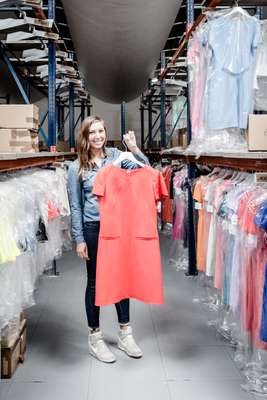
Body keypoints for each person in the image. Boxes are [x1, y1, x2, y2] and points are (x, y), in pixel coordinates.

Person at [67, 115, 149, 363]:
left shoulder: (116, 157)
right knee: (95, 281)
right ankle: (95, 337)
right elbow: (76, 206)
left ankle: (125, 333)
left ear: (105, 132)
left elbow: (145, 169)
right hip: (93, 228)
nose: (98, 136)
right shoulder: (76, 168)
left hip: (119, 227)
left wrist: (134, 149)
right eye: (92, 132)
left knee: (121, 278)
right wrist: (79, 238)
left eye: (101, 131)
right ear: (85, 136)